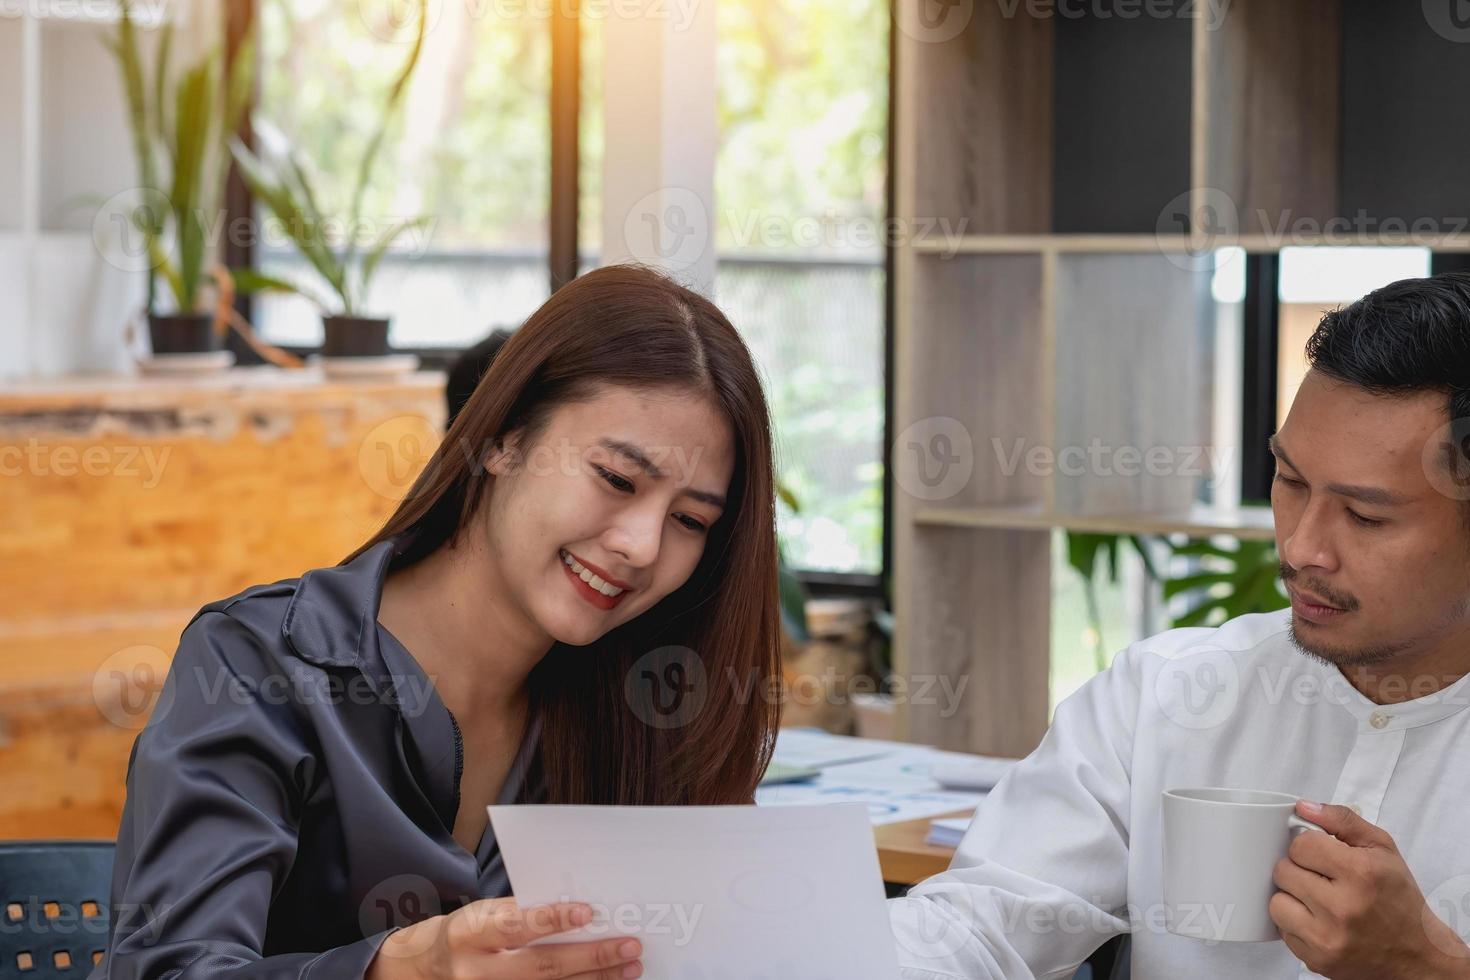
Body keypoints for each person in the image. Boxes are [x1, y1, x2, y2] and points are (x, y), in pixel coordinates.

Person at [95, 264, 783, 979]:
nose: (641, 546)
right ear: (503, 438)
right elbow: (167, 969)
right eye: (615, 479)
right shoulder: (256, 667)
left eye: (690, 520)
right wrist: (399, 968)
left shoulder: (657, 710)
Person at [890, 272, 1470, 979]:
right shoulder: (1165, 694)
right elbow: (984, 925)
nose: (1300, 549)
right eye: (1289, 481)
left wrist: (1426, 963)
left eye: (1366, 516)